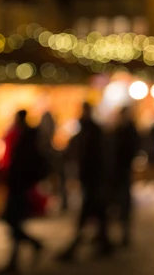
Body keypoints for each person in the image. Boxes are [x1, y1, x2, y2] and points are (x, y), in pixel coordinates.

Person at [58, 103, 112, 261]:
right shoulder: (92, 131)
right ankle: (103, 244)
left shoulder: (91, 132)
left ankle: (74, 249)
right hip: (93, 179)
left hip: (93, 179)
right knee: (98, 215)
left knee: (89, 214)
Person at [0, 110, 46, 275]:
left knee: (12, 219)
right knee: (13, 220)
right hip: (21, 184)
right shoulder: (28, 136)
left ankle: (19, 257)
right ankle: (24, 252)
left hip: (19, 185)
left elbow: (19, 163)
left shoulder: (23, 137)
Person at [112, 106, 141, 247]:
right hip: (120, 170)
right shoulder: (124, 130)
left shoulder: (125, 130)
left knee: (122, 200)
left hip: (121, 170)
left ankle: (123, 233)